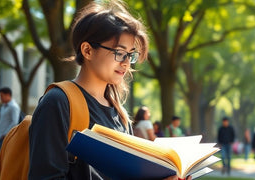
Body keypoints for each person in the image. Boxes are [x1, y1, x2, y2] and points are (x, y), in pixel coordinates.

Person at [28, 2, 190, 180]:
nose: (126, 63)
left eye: (131, 55)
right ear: (87, 50)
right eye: (120, 53)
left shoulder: (120, 115)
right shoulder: (58, 102)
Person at [0, 87, 20, 180]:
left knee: (1, 163)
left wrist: (5, 135)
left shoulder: (14, 107)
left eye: (2, 95)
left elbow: (14, 122)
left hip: (4, 138)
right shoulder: (3, 107)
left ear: (8, 95)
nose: (0, 98)